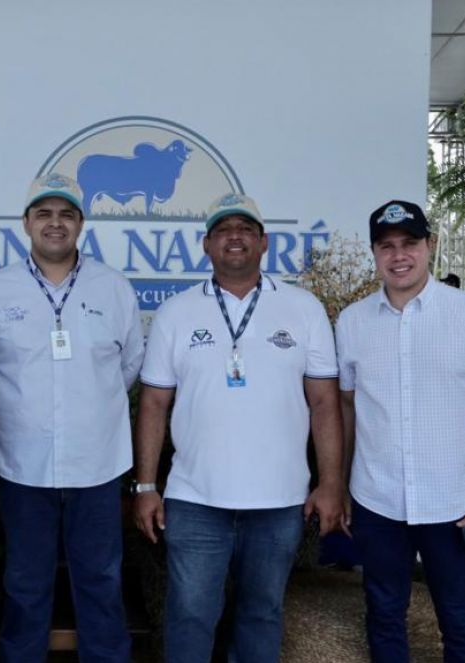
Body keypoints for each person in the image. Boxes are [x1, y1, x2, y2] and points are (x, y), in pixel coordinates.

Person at [133, 192, 347, 662]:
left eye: (246, 229)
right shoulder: (175, 312)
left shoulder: (303, 308)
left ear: (264, 242)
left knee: (262, 614)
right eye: (224, 230)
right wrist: (146, 486)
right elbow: (153, 403)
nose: (235, 237)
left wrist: (331, 483)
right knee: (190, 615)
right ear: (206, 244)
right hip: (195, 499)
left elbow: (324, 402)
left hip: (279, 500)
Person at [0, 173, 144, 662]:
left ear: (81, 223)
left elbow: (128, 366)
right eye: (43, 213)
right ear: (26, 223)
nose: (55, 223)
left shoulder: (114, 288)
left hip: (97, 466)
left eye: (66, 214)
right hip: (22, 468)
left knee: (102, 582)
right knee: (25, 585)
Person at [336, 200, 465, 663]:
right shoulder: (352, 322)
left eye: (410, 243)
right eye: (387, 246)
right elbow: (347, 408)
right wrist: (339, 485)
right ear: (374, 252)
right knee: (383, 616)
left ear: (430, 246)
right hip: (377, 500)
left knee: (460, 621)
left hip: (456, 504)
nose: (399, 255)